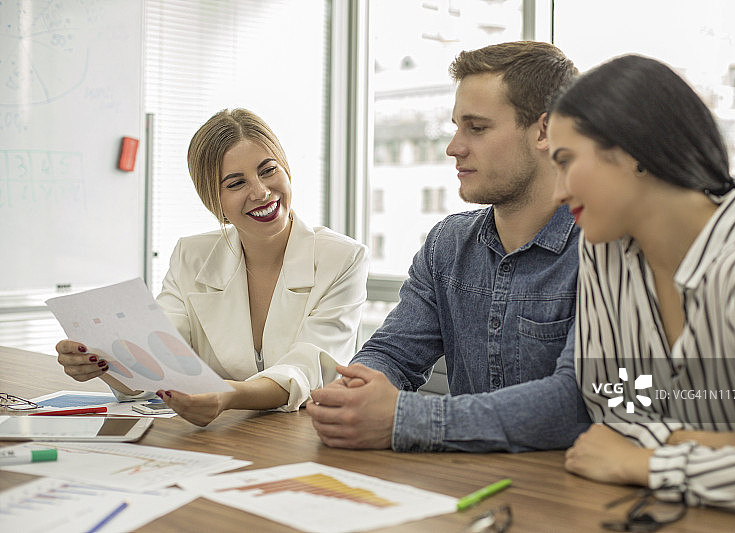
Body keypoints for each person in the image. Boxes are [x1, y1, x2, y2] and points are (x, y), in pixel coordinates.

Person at [547, 54, 735, 520]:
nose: (557, 192)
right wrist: (730, 446)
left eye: (566, 162)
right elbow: (611, 405)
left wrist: (642, 462)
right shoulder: (601, 250)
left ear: (632, 152)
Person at [307, 41, 590, 452]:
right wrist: (355, 392)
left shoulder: (600, 249)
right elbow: (393, 352)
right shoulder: (447, 244)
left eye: (477, 128)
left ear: (545, 132)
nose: (454, 147)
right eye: (457, 126)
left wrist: (403, 418)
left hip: (564, 484)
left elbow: (573, 403)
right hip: (465, 479)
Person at [55, 108, 369, 426]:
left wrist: (228, 396)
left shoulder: (342, 258)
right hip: (216, 437)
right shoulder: (191, 256)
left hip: (309, 433)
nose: (261, 192)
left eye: (268, 170)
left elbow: (308, 370)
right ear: (213, 201)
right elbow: (160, 363)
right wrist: (105, 364)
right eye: (236, 183)